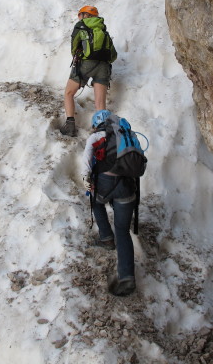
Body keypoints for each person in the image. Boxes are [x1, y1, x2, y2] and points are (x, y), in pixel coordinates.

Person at [81, 110, 137, 296]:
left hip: (105, 184)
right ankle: (126, 276)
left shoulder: (96, 136)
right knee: (123, 230)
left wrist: (87, 182)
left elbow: (86, 164)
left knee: (96, 203)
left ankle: (106, 237)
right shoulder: (128, 135)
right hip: (128, 187)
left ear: (96, 124)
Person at [59, 5, 117, 137]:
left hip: (85, 64)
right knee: (100, 103)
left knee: (69, 93)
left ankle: (70, 125)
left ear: (84, 15)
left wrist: (80, 55)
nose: (79, 18)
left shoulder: (81, 26)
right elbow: (113, 55)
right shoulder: (103, 30)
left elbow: (74, 47)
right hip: (104, 67)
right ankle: (102, 133)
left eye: (80, 15)